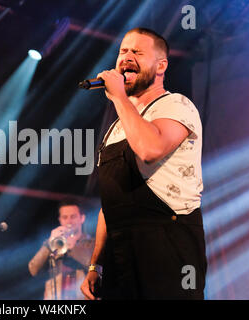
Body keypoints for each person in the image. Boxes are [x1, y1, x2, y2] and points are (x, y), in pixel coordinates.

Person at [80, 28, 207, 300]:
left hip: (167, 244)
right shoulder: (116, 127)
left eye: (137, 52)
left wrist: (119, 98)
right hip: (120, 253)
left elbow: (150, 149)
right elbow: (110, 203)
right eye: (123, 51)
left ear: (161, 65)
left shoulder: (176, 104)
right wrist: (95, 264)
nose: (127, 57)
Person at [28, 200, 94, 300]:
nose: (69, 221)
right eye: (65, 217)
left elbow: (92, 264)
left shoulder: (92, 243)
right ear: (60, 220)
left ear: (82, 218)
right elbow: (33, 270)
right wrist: (49, 243)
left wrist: (72, 247)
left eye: (73, 217)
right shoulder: (52, 243)